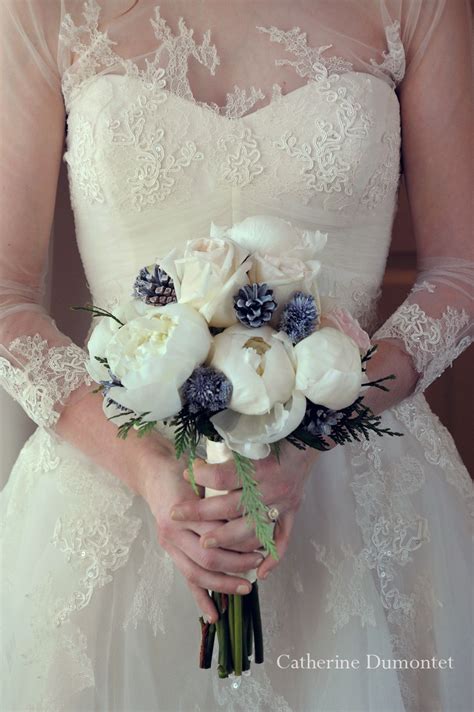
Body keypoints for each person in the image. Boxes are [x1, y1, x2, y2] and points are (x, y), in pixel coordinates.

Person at [0, 0, 472, 710]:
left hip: (360, 489)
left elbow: (459, 273)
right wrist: (151, 470)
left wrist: (317, 433)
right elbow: (4, 294)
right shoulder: (42, 10)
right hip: (109, 484)